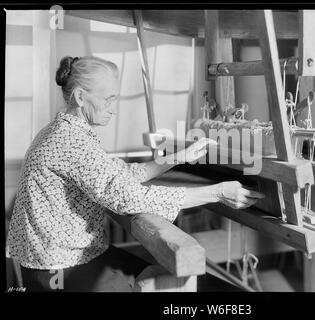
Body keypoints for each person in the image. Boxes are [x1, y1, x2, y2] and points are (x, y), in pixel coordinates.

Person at [6, 56, 265, 292]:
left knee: (160, 274)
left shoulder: (65, 130)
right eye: (108, 99)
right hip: (57, 268)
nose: (114, 109)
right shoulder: (70, 141)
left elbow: (121, 174)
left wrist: (178, 158)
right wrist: (217, 192)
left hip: (62, 257)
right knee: (175, 284)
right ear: (80, 97)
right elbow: (128, 197)